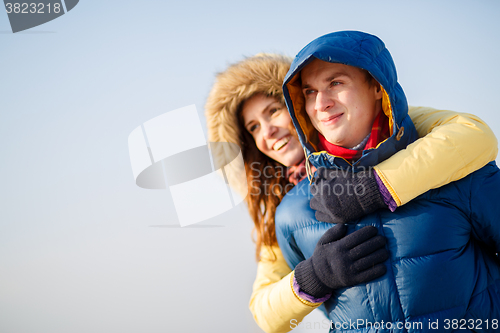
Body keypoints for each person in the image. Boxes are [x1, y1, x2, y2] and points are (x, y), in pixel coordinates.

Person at [204, 53, 498, 333]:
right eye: (254, 127)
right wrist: (315, 277)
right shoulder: (284, 209)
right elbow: (266, 312)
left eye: (273, 111)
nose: (267, 132)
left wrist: (373, 187)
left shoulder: (391, 130)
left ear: (298, 107)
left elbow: (469, 134)